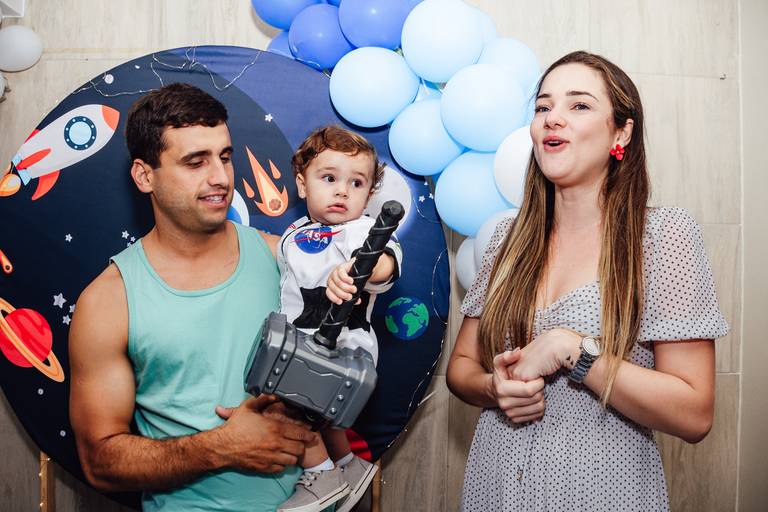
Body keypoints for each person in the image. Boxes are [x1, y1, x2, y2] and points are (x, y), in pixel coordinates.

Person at [446, 51, 729, 511]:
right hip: (493, 487)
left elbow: (694, 414)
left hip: (602, 492)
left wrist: (576, 351)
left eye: (578, 105)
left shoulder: (662, 236)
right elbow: (460, 367)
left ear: (621, 132)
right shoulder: (506, 240)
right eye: (543, 107)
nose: (552, 118)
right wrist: (493, 389)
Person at [68, 83, 317, 512]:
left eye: (225, 156)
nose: (220, 177)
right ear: (144, 175)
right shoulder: (110, 300)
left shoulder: (286, 261)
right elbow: (99, 461)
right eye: (195, 162)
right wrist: (221, 447)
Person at [275, 126, 402, 512]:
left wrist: (358, 270)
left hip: (344, 344)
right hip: (303, 338)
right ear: (302, 184)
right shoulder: (295, 232)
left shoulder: (361, 230)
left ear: (369, 194)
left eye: (356, 183)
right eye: (329, 178)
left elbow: (385, 262)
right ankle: (348, 465)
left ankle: (321, 474)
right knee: (322, 415)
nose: (342, 191)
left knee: (290, 409)